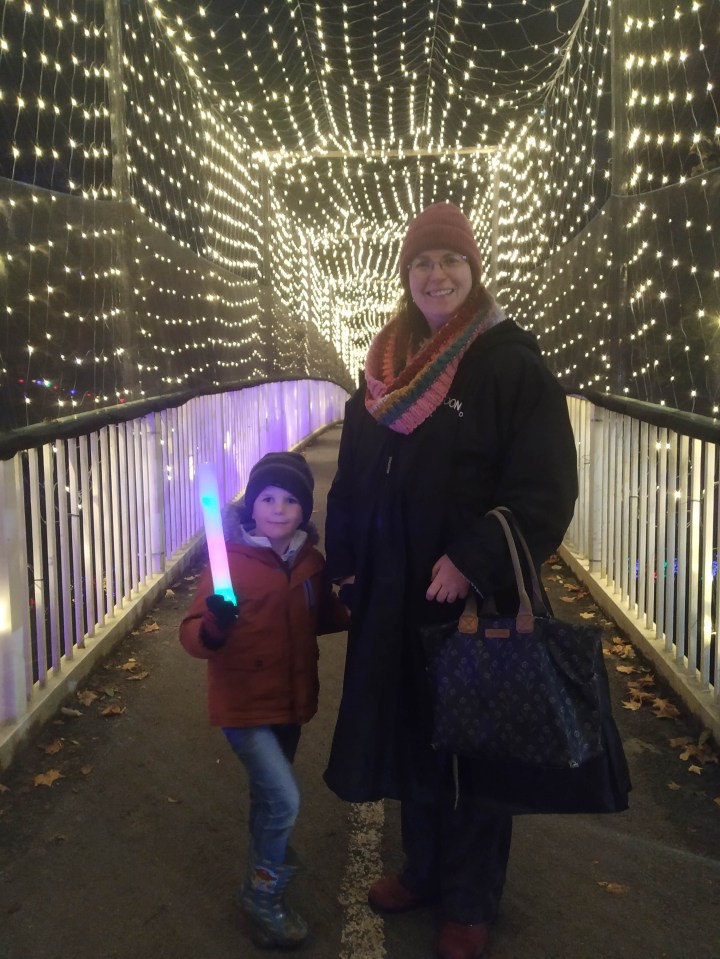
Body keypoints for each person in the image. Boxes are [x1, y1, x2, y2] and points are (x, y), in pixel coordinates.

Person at [323, 202, 579, 959]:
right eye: (422, 263)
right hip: (392, 589)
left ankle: (470, 901)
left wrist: (474, 557)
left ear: (473, 272)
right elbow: (353, 475)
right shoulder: (385, 367)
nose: (436, 275)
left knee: (471, 744)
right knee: (409, 730)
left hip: (470, 597)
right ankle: (423, 869)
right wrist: (344, 559)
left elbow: (545, 489)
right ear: (406, 278)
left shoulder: (510, 364)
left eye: (451, 262)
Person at [180, 451, 348, 949]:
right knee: (284, 799)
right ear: (251, 507)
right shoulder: (227, 562)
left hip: (290, 703)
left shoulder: (310, 562)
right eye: (268, 498)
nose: (278, 508)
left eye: (291, 500)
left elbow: (319, 617)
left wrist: (354, 610)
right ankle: (263, 895)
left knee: (267, 798)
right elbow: (190, 635)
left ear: (304, 510)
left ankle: (261, 868)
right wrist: (214, 625)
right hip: (244, 706)